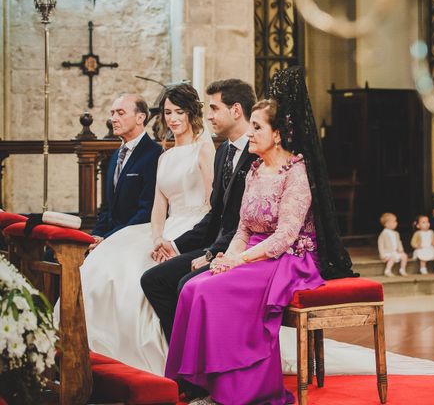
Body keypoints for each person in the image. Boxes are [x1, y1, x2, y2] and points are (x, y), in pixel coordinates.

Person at [165, 66, 355, 405]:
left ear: (278, 134)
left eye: (257, 127)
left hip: (289, 260)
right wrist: (227, 257)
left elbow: (284, 237)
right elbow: (242, 228)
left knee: (212, 291)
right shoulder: (254, 170)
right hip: (253, 253)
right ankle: (205, 384)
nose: (249, 133)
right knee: (193, 288)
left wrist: (238, 260)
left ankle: (239, 390)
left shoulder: (296, 172)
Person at [79, 85, 215, 375]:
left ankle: (162, 354)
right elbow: (157, 207)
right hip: (164, 228)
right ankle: (99, 349)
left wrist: (174, 243)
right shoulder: (164, 156)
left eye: (179, 112)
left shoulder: (203, 149)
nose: (173, 118)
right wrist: (156, 237)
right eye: (168, 113)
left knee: (139, 274)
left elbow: (212, 204)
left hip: (194, 227)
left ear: (191, 113)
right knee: (109, 260)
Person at [140, 78, 258, 344]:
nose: (209, 116)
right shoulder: (224, 151)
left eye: (215, 109)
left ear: (236, 110)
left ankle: (198, 360)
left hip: (243, 248)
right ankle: (181, 355)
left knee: (186, 283)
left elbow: (246, 222)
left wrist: (212, 254)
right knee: (152, 279)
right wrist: (176, 246)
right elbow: (215, 214)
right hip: (216, 241)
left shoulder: (256, 152)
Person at [91, 94, 163, 243]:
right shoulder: (116, 155)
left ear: (140, 118)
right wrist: (94, 236)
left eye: (120, 113)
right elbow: (107, 208)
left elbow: (147, 210)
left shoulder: (155, 154)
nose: (113, 119)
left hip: (137, 237)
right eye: (112, 113)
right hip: (109, 236)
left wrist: (107, 239)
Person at [377, 212, 409, 277]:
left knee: (404, 256)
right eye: (394, 221)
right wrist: (383, 255)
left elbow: (399, 242)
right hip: (387, 253)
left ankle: (402, 269)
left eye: (396, 221)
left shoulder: (396, 233)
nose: (396, 223)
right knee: (392, 258)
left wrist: (401, 249)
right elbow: (380, 245)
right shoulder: (383, 234)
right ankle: (387, 270)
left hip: (394, 252)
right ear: (386, 224)